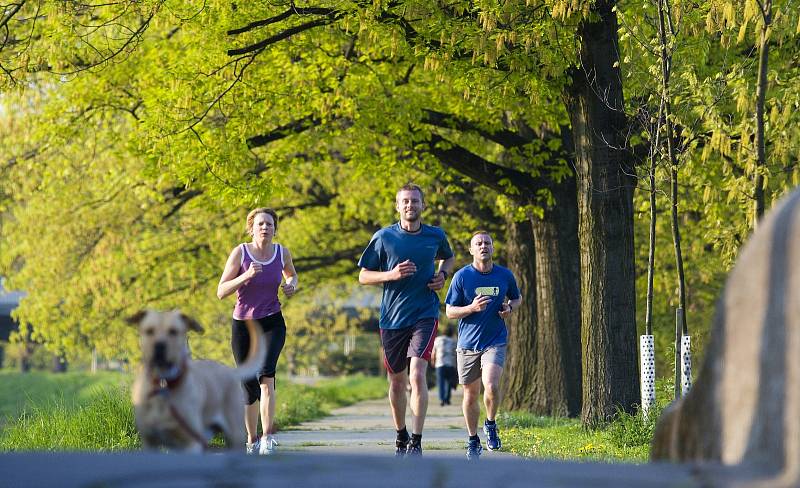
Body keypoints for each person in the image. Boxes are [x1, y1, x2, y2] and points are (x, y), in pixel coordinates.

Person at [358, 183, 455, 457]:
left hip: (425, 313)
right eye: (405, 202)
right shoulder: (384, 237)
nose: (410, 205)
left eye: (415, 201)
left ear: (423, 205)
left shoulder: (435, 235)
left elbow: (448, 257)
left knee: (417, 373)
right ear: (397, 206)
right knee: (397, 382)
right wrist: (391, 275)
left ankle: (417, 439)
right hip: (392, 318)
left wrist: (442, 276)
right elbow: (364, 276)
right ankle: (400, 433)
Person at [217, 208, 298, 455]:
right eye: (260, 224)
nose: (265, 228)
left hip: (272, 322)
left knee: (266, 376)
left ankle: (267, 438)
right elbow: (221, 291)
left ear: (275, 229)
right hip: (243, 325)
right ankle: (251, 440)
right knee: (248, 386)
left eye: (269, 224)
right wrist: (246, 276)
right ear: (251, 228)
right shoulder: (240, 253)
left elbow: (292, 274)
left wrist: (291, 284)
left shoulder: (281, 252)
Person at [445, 231, 521, 461]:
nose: (483, 246)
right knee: (470, 394)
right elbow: (449, 311)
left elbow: (516, 298)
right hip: (467, 344)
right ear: (471, 250)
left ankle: (490, 423)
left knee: (491, 385)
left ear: (493, 248)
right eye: (478, 243)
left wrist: (510, 308)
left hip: (495, 340)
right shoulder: (461, 277)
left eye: (487, 242)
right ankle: (472, 439)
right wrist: (470, 308)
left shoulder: (504, 275)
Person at [431, 325, 457, 406]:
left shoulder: (437, 340)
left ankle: (442, 399)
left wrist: (433, 361)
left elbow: (433, 352)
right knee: (449, 382)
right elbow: (456, 354)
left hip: (440, 363)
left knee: (440, 382)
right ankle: (447, 399)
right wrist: (456, 365)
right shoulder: (454, 341)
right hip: (451, 364)